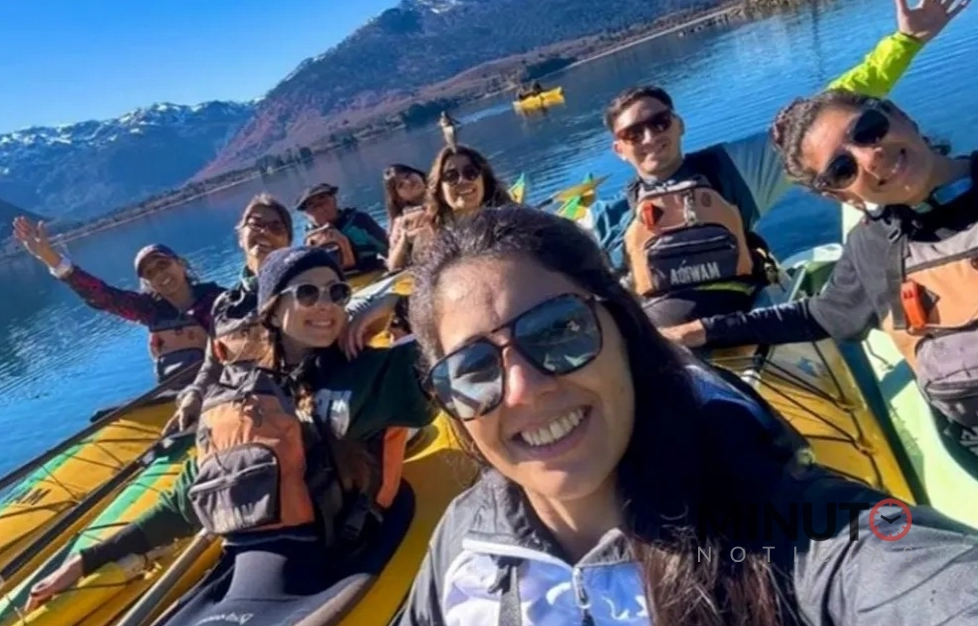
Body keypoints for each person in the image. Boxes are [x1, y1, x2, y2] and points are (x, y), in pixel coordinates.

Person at [393, 207, 978, 626]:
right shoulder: (466, 533)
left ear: (624, 327)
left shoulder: (797, 534)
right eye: (472, 368)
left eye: (558, 330)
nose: (523, 389)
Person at [27, 246, 439, 623]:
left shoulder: (373, 373)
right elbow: (190, 496)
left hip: (334, 560)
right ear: (272, 309)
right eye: (307, 293)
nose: (325, 304)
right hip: (244, 568)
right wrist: (88, 559)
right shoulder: (245, 396)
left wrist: (397, 304)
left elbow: (455, 351)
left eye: (337, 292)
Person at [586, 0, 967, 327]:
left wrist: (905, 42)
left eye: (659, 122)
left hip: (744, 322)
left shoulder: (734, 169)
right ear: (619, 149)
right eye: (633, 133)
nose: (650, 137)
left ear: (678, 124)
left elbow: (823, 117)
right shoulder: (607, 219)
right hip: (662, 339)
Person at [663, 89, 978, 480]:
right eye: (843, 169)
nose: (870, 157)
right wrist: (702, 330)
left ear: (898, 115)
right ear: (839, 195)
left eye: (868, 130)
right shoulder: (873, 248)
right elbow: (820, 316)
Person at [12, 216, 224, 383]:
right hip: (175, 397)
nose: (160, 275)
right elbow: (101, 296)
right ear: (148, 282)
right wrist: (49, 257)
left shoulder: (220, 301)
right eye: (150, 273)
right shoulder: (148, 310)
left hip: (221, 389)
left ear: (180, 264)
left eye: (163, 265)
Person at [165, 192, 293, 434]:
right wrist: (195, 394)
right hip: (235, 417)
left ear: (288, 241)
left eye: (276, 227)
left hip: (290, 413)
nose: (264, 232)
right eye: (255, 224)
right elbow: (212, 366)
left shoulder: (306, 289)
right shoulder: (224, 305)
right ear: (240, 237)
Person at [295, 182, 390, 273]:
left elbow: (388, 248)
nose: (321, 208)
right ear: (306, 214)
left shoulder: (358, 221)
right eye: (313, 206)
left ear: (334, 200)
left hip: (371, 272)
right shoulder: (310, 239)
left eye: (323, 200)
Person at [384, 164, 430, 273]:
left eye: (408, 175)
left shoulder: (451, 197)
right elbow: (393, 266)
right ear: (398, 197)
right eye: (401, 185)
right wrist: (404, 238)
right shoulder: (402, 222)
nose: (408, 182)